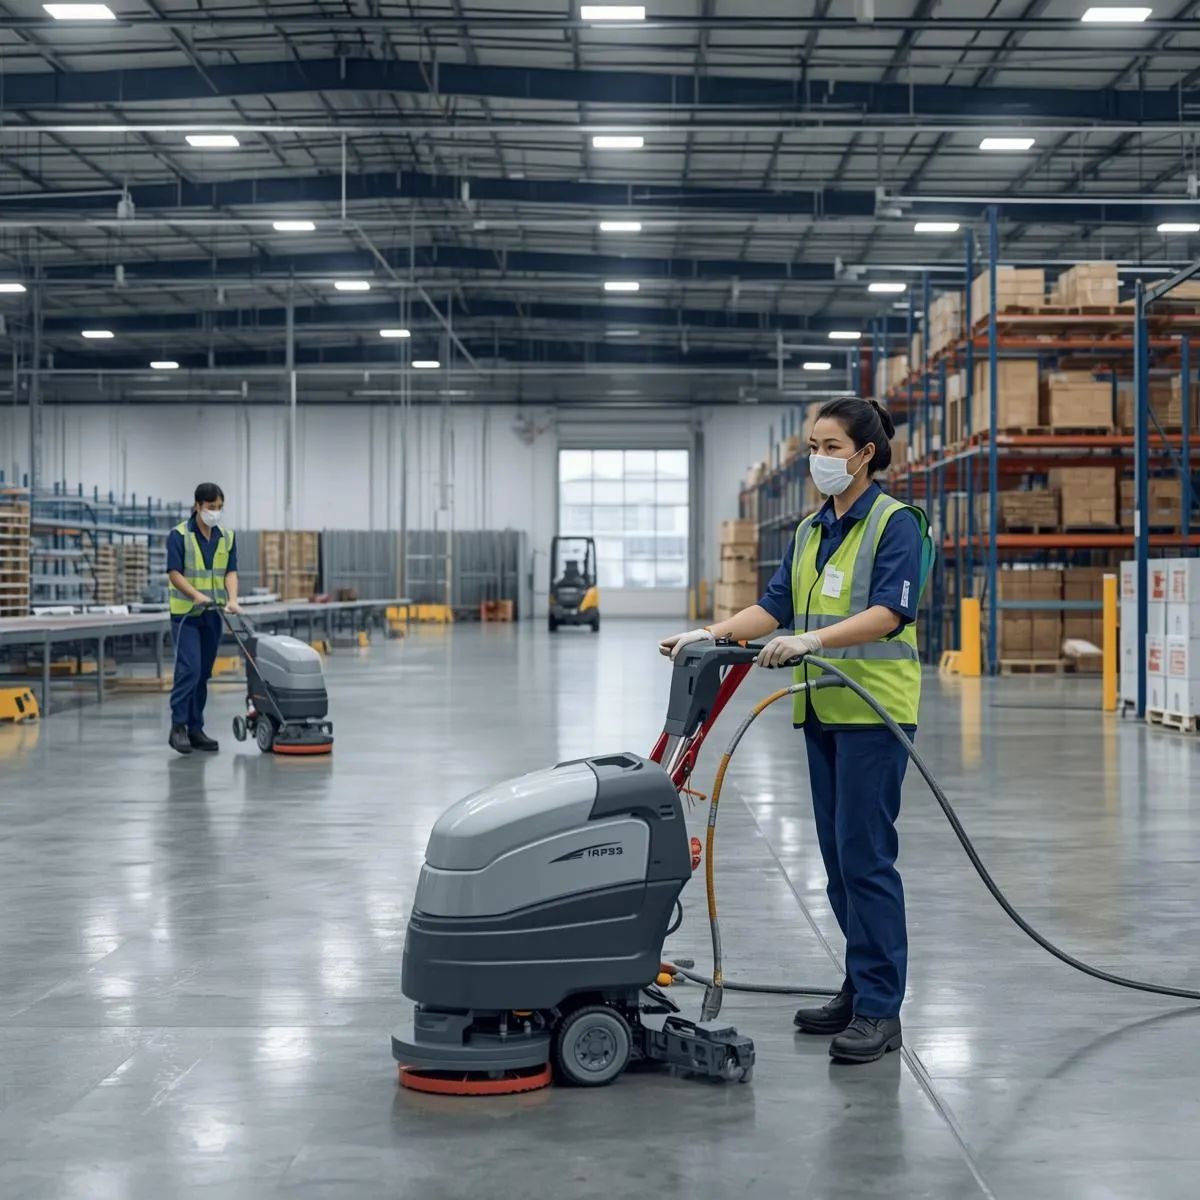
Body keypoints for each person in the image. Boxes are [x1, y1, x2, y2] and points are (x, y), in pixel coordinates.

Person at [658, 397, 929, 1065]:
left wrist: (813, 639)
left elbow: (890, 614)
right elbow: (774, 606)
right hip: (822, 712)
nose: (818, 459)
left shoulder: (897, 524)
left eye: (831, 447)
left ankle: (881, 1009)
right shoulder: (812, 530)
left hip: (873, 710)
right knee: (839, 865)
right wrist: (712, 633)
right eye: (814, 446)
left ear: (865, 454)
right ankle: (859, 984)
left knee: (866, 861)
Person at [166, 482, 240, 755]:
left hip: (213, 615)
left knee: (204, 673)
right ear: (198, 505)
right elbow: (174, 573)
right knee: (190, 669)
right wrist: (195, 594)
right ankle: (178, 727)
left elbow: (230, 572)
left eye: (219, 508)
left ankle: (196, 728)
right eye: (211, 507)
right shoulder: (179, 535)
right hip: (186, 615)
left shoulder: (227, 537)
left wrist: (232, 599)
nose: (215, 513)